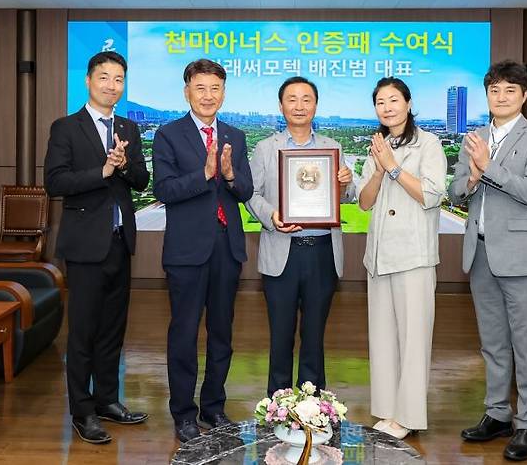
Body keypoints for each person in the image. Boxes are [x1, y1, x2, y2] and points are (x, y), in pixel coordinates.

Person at [448, 60, 527, 462]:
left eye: (510, 90)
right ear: (487, 95)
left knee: (526, 344)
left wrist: (488, 168)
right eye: (495, 90)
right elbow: (456, 193)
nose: (502, 97)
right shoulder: (473, 137)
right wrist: (472, 178)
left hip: (523, 258)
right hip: (480, 253)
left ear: (524, 96)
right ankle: (497, 414)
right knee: (493, 344)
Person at [44, 51, 150, 444]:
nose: (112, 85)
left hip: (120, 244)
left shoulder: (128, 127)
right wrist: (102, 171)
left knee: (112, 330)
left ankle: (108, 400)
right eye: (104, 77)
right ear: (88, 81)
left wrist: (122, 166)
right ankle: (82, 411)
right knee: (83, 333)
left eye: (119, 79)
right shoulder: (66, 128)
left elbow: (140, 180)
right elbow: (55, 182)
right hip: (86, 246)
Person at [152, 59, 253, 443]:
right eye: (200, 88)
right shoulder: (168, 135)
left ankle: (214, 406)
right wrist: (205, 174)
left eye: (215, 89)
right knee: (183, 333)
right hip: (186, 252)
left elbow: (244, 190)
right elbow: (164, 191)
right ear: (187, 92)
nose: (208, 96)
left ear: (223, 93)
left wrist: (228, 174)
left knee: (222, 333)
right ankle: (183, 413)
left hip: (227, 250)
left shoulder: (236, 136)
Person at [245, 76, 354, 398]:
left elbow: (345, 199)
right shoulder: (266, 149)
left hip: (322, 251)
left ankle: (312, 405)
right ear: (281, 106)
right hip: (283, 251)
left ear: (315, 105)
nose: (299, 105)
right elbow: (251, 193)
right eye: (292, 99)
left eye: (306, 99)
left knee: (314, 334)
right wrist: (271, 217)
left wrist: (345, 184)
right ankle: (277, 404)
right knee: (280, 335)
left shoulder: (333, 148)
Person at [356, 77, 447, 440]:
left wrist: (393, 166)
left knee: (413, 338)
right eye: (380, 102)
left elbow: (432, 195)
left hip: (413, 256)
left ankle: (408, 416)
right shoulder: (376, 146)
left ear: (408, 104)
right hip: (378, 257)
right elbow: (364, 201)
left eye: (394, 100)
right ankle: (388, 410)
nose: (387, 107)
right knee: (382, 337)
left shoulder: (430, 143)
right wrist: (379, 169)